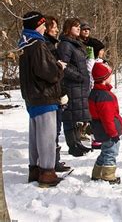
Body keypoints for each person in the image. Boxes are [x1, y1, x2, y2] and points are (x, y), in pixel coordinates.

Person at [18, 11, 66, 187]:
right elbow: (48, 72)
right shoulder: (37, 44)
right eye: (43, 24)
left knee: (35, 135)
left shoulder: (24, 43)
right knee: (47, 136)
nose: (45, 28)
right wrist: (59, 67)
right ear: (36, 25)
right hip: (43, 95)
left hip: (32, 96)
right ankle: (47, 172)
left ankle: (35, 169)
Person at [57, 18, 92, 156]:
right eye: (75, 26)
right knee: (69, 116)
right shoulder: (65, 45)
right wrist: (79, 76)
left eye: (79, 26)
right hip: (71, 84)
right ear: (68, 28)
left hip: (80, 85)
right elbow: (62, 66)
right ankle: (72, 145)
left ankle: (77, 142)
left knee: (76, 115)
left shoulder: (76, 44)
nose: (79, 28)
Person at [44, 16, 72, 172]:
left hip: (56, 92)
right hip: (51, 95)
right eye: (53, 26)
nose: (56, 29)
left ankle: (54, 160)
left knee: (56, 128)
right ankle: (51, 162)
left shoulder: (52, 45)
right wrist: (61, 92)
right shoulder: (47, 46)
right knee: (53, 129)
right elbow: (52, 73)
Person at [89, 62, 122, 184]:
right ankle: (108, 175)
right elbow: (107, 118)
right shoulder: (105, 96)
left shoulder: (95, 93)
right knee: (111, 152)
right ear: (104, 78)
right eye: (109, 75)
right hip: (108, 130)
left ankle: (97, 172)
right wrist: (113, 133)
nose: (111, 76)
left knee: (105, 151)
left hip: (100, 129)